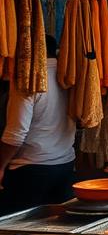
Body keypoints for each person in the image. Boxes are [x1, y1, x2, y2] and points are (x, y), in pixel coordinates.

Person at [0, 35, 76, 213]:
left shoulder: (28, 78)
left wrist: (1, 166)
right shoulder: (70, 75)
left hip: (31, 170)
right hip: (66, 166)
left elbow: (16, 133)